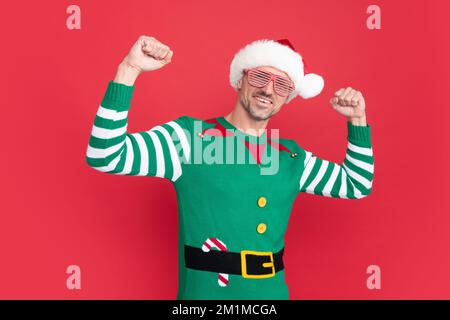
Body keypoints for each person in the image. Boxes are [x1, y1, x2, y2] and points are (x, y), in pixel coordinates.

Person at [85, 35, 374, 300]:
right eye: (260, 76)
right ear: (240, 79)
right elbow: (105, 153)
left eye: (282, 85)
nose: (268, 89)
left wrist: (357, 120)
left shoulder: (291, 157)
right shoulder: (189, 138)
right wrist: (129, 68)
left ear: (288, 97)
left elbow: (356, 184)